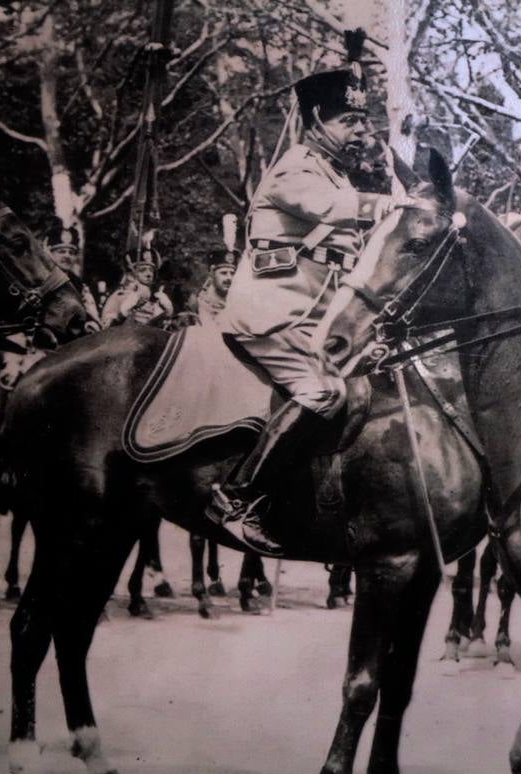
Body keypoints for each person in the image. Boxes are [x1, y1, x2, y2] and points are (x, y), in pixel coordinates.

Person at [207, 29, 393, 554]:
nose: (362, 132)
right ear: (315, 122)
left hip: (313, 323)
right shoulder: (293, 169)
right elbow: (340, 212)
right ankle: (236, 498)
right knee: (324, 394)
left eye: (364, 121)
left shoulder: (337, 176)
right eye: (349, 121)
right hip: (272, 317)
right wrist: (398, 208)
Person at [101, 241, 175, 328]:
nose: (149, 274)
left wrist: (166, 314)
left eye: (151, 270)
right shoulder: (119, 297)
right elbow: (105, 330)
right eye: (142, 270)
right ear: (130, 275)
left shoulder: (156, 301)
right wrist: (122, 313)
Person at [45, 220, 101, 325]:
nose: (67, 256)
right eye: (61, 251)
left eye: (71, 253)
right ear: (49, 253)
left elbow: (90, 315)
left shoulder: (79, 285)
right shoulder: (40, 280)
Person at [189, 214, 239, 329]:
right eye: (223, 273)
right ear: (212, 273)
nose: (229, 278)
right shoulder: (199, 303)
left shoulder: (240, 301)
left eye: (232, 273)